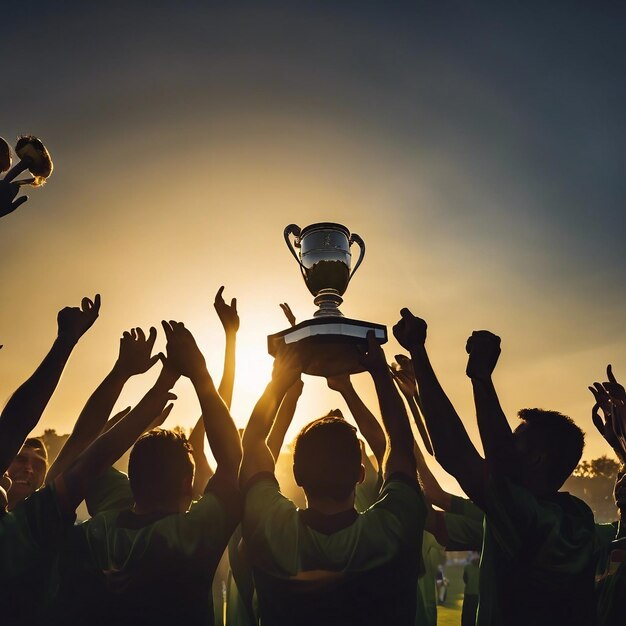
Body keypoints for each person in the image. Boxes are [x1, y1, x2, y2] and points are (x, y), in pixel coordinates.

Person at [393, 309, 597, 626]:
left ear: (537, 459)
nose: (500, 445)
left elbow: (456, 454)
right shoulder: (578, 517)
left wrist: (478, 377)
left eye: (517, 439)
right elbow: (457, 453)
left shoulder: (525, 517)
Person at [51, 321, 242, 626]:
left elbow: (85, 450)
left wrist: (135, 384)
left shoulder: (95, 532)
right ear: (186, 483)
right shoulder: (195, 533)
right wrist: (199, 372)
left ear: (132, 478)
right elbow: (232, 462)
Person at [240, 332, 426, 626]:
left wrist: (279, 382)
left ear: (297, 475)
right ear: (360, 473)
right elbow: (400, 448)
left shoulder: (273, 528)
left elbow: (251, 449)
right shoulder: (391, 530)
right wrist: (379, 373)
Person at [462, 553, 480, 626]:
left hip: (469, 593)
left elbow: (465, 579)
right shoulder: (482, 567)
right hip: (478, 594)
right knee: (475, 614)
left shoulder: (467, 567)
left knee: (467, 615)